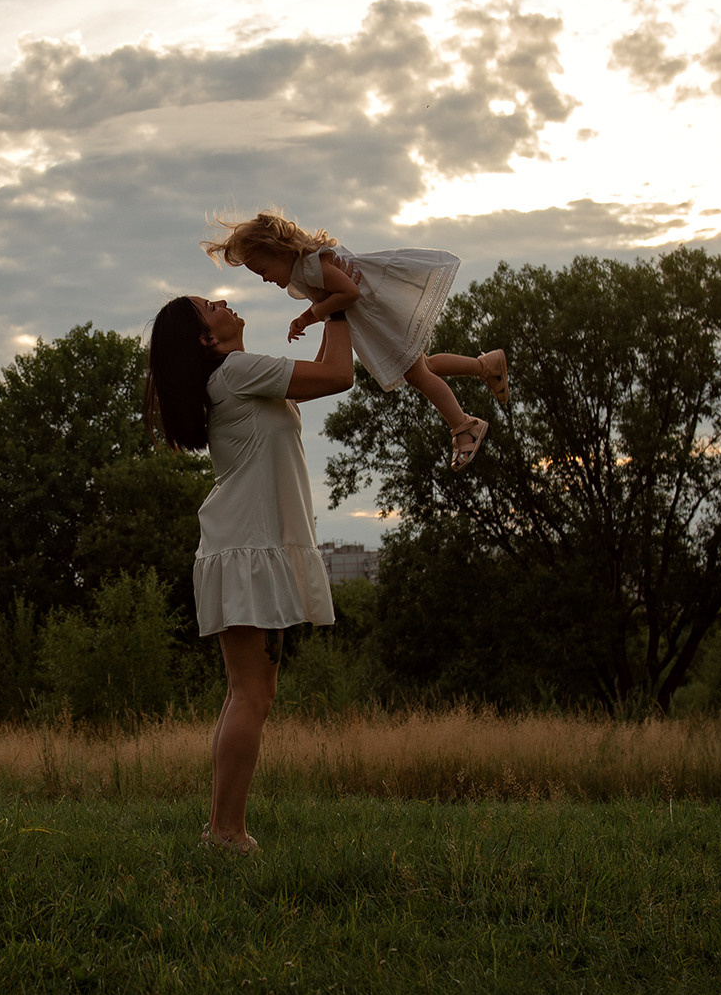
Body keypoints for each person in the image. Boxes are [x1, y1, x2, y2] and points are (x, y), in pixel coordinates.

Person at [143, 291, 353, 853]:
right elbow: (338, 375)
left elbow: (332, 371)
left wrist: (334, 304)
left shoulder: (235, 376)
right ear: (205, 340)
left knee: (251, 692)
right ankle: (225, 832)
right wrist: (334, 304)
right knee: (250, 696)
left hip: (245, 547)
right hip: (246, 550)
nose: (222, 300)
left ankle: (222, 828)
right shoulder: (237, 372)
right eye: (208, 306)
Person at [203, 210, 508, 469]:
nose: (264, 278)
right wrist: (317, 341)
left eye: (263, 269)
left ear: (280, 251)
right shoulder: (301, 272)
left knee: (415, 373)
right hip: (367, 316)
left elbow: (349, 293)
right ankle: (485, 365)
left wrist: (309, 317)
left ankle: (464, 425)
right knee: (421, 365)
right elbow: (334, 307)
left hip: (376, 312)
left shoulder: (312, 265)